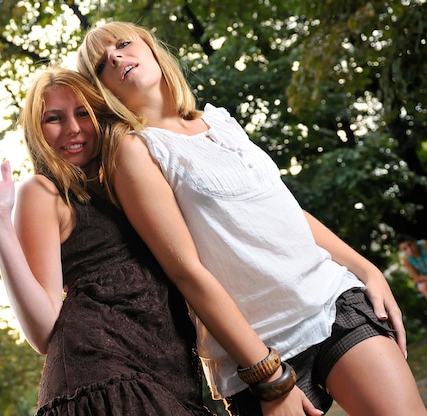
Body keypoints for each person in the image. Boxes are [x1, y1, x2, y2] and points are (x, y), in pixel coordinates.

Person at [76, 21, 427, 416]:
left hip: (329, 303)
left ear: (152, 49)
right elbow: (186, 271)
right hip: (254, 351)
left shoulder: (221, 121)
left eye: (124, 44)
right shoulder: (133, 150)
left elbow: (286, 211)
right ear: (102, 89)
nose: (117, 57)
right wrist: (266, 375)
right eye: (103, 63)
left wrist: (368, 271)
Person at [0, 67, 213, 415]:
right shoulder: (44, 192)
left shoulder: (134, 178)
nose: (72, 128)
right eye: (54, 118)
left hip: (172, 378)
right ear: (36, 131)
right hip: (103, 375)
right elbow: (42, 330)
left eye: (83, 113)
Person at [398, 233, 427, 298]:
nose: (410, 250)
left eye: (410, 245)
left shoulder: (424, 244)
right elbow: (416, 278)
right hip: (424, 277)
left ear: (415, 241)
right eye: (405, 248)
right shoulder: (405, 258)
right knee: (422, 288)